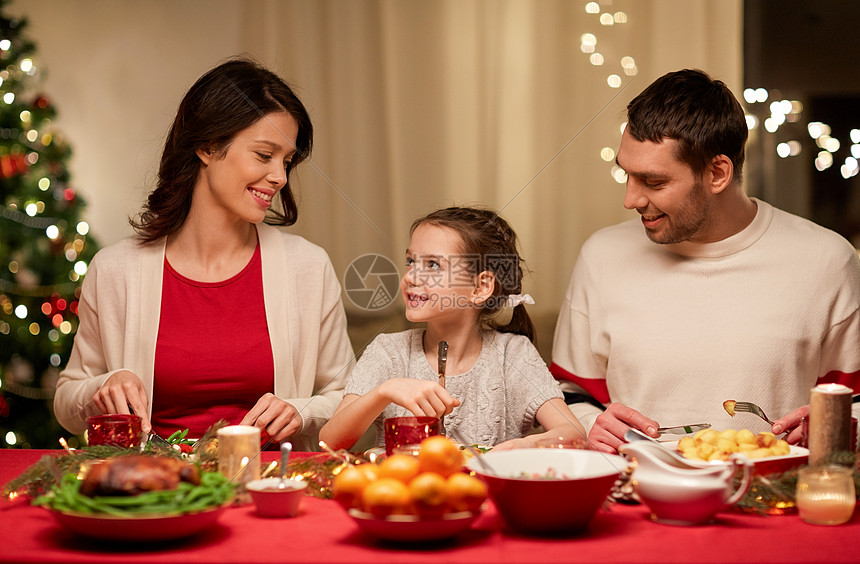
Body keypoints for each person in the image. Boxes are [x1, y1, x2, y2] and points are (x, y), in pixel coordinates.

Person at [550, 69, 860, 454]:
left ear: (717, 173)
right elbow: (568, 394)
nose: (630, 199)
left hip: (773, 501)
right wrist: (591, 425)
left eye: (653, 181)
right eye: (626, 174)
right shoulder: (601, 256)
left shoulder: (828, 261)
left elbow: (855, 401)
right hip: (638, 498)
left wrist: (838, 427)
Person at [53, 58, 355, 450]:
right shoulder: (115, 269)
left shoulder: (308, 267)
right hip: (151, 490)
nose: (280, 176)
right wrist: (101, 389)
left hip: (264, 490)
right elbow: (66, 401)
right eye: (264, 155)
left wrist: (302, 411)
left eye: (287, 161)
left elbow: (347, 395)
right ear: (208, 146)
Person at [319, 207, 586, 451]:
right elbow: (328, 442)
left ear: (480, 288)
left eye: (432, 265)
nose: (411, 277)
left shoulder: (512, 354)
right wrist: (384, 392)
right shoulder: (388, 352)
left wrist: (518, 448)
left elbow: (573, 433)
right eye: (411, 262)